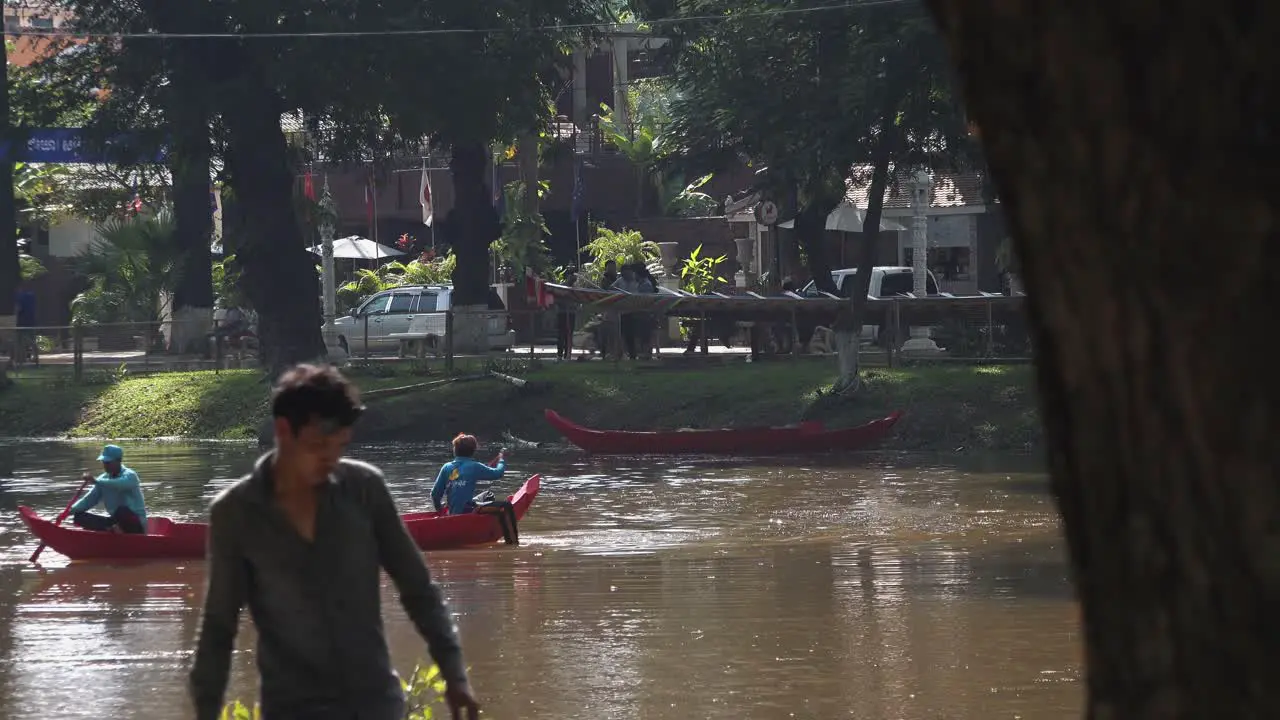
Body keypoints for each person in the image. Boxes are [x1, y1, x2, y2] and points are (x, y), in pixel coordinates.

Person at [189, 364, 479, 720]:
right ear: (283, 431)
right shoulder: (235, 513)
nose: (331, 459)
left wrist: (454, 672)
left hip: (374, 704)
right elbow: (219, 627)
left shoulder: (364, 490)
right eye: (318, 446)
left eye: (339, 446)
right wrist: (206, 710)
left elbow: (419, 590)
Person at [432, 434, 518, 545]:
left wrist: (439, 509)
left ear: (455, 450)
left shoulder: (446, 467)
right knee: (506, 506)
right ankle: (513, 543)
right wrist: (501, 460)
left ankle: (481, 525)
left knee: (488, 495)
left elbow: (435, 494)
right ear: (473, 451)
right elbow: (498, 473)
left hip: (452, 511)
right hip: (466, 510)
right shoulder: (474, 466)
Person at [70, 444, 147, 534]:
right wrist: (69, 511)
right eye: (104, 462)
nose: (105, 465)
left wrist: (97, 481)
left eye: (108, 462)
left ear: (119, 461)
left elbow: (120, 484)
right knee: (79, 517)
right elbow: (88, 500)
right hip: (115, 522)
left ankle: (114, 530)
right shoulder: (103, 478)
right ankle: (111, 530)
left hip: (136, 526)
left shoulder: (130, 475)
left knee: (121, 511)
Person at [556, 267, 578, 360]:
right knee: (561, 334)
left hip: (571, 313)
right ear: (568, 276)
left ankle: (567, 354)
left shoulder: (576, 288)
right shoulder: (561, 286)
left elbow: (578, 300)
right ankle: (560, 354)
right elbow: (557, 299)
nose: (573, 277)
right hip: (563, 313)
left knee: (569, 334)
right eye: (571, 275)